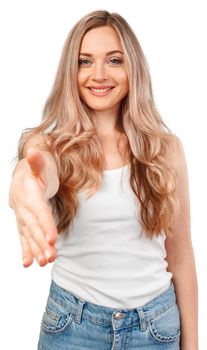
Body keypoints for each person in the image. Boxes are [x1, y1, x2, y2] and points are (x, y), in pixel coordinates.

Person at [9, 9, 198, 350]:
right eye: (85, 61)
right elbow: (37, 171)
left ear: (132, 69)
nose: (98, 74)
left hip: (155, 331)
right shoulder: (51, 146)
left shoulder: (166, 150)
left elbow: (181, 256)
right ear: (71, 70)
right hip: (72, 329)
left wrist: (194, 345)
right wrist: (24, 180)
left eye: (114, 60)